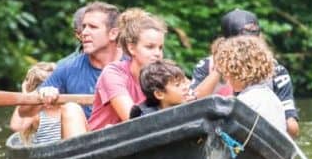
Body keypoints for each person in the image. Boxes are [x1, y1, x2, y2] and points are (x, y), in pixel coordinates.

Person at [191, 9, 300, 137]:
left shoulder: (276, 71)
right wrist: (220, 69)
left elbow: (292, 128)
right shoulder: (206, 66)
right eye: (243, 47)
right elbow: (191, 109)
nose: (249, 53)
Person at [59, 8, 167, 138]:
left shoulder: (163, 76)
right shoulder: (113, 72)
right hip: (101, 145)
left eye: (160, 48)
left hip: (142, 142)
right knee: (71, 109)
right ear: (131, 48)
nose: (157, 54)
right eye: (150, 47)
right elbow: (133, 118)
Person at [21, 1, 122, 121]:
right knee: (71, 109)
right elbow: (23, 112)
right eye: (84, 27)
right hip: (88, 136)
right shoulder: (66, 68)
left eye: (93, 27)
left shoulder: (134, 62)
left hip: (131, 131)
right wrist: (44, 93)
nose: (84, 33)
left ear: (113, 34)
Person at [212, 35, 287, 133]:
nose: (226, 78)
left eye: (227, 71)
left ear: (238, 69)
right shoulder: (271, 97)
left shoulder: (246, 101)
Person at [9, 62, 60, 145]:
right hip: (46, 154)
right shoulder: (35, 113)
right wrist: (26, 96)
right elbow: (16, 126)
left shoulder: (68, 107)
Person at [129, 59, 193, 118]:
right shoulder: (146, 117)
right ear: (159, 94)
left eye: (184, 83)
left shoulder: (191, 103)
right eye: (177, 85)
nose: (185, 88)